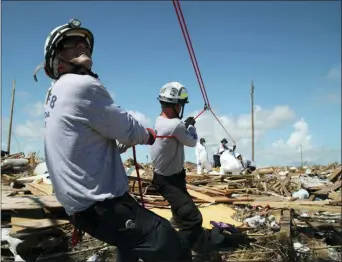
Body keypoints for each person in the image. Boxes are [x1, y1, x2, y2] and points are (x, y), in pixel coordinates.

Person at [36, 19, 192, 262]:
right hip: (100, 205)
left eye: (84, 43)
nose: (82, 46)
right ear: (55, 57)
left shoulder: (53, 93)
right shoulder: (82, 85)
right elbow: (128, 128)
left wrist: (124, 141)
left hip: (79, 206)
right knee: (170, 245)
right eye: (71, 43)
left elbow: (88, 140)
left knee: (128, 245)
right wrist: (146, 135)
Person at [150, 82, 221, 258]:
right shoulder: (175, 125)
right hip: (169, 181)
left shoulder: (161, 121)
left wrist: (185, 125)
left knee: (181, 214)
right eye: (180, 105)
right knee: (193, 219)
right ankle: (177, 254)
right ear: (176, 105)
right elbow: (192, 141)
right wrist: (191, 126)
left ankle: (184, 236)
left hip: (167, 177)